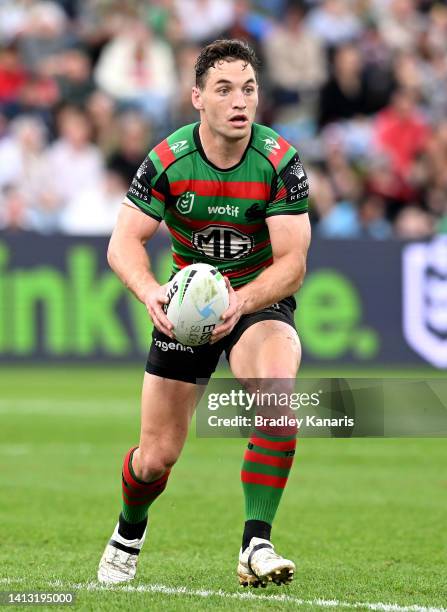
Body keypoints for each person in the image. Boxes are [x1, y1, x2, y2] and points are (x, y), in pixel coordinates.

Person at [98, 38, 311, 588]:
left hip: (255, 303)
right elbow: (123, 244)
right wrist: (151, 292)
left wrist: (243, 300)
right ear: (197, 98)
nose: (239, 100)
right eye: (224, 89)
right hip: (185, 311)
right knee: (156, 458)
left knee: (278, 401)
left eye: (248, 88)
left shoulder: (280, 162)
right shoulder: (167, 160)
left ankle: (255, 544)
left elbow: (292, 263)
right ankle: (128, 530)